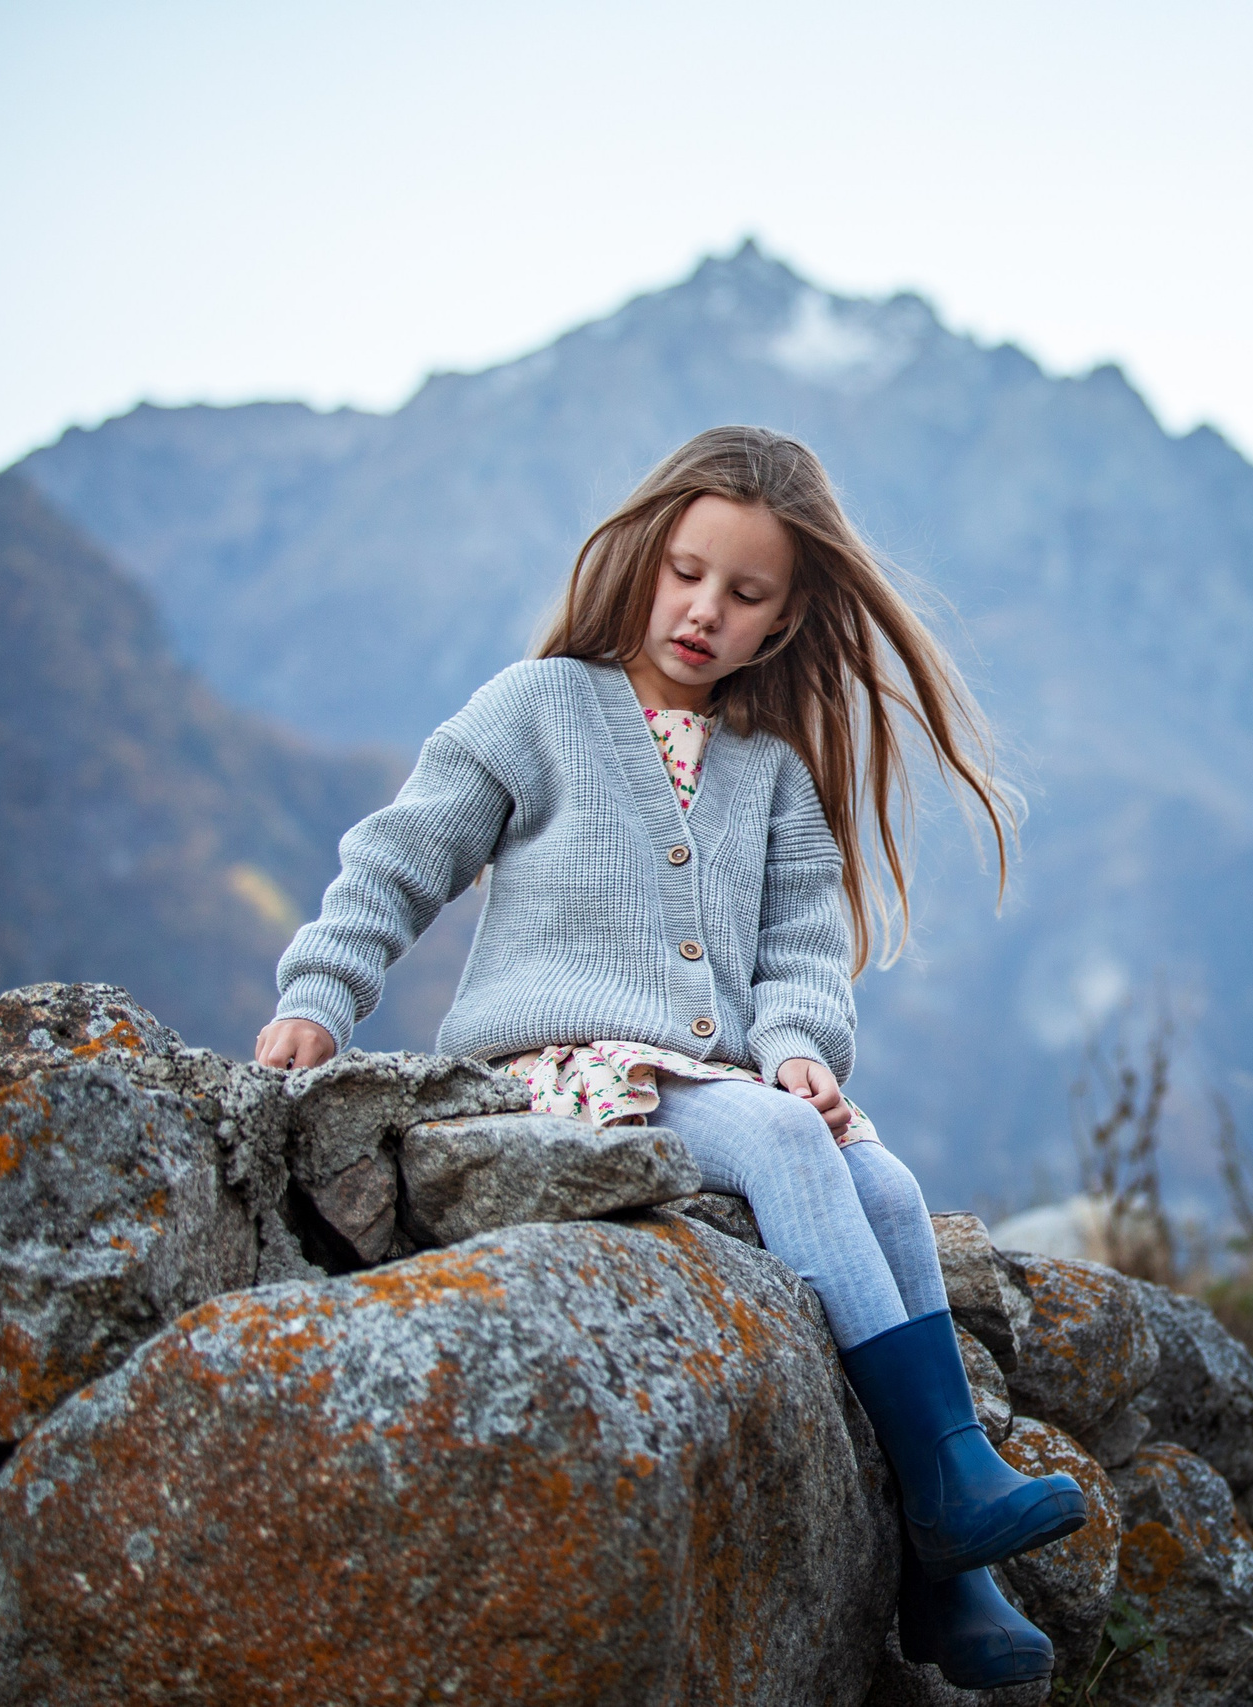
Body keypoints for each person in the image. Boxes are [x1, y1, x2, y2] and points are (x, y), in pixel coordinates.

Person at [253, 425, 1079, 1689]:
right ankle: (948, 1490)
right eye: (688, 572)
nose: (704, 610)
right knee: (787, 1142)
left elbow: (805, 945)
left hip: (710, 1079)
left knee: (891, 1187)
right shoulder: (537, 709)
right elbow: (401, 855)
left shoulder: (770, 770)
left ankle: (953, 1571)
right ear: (644, 555)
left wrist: (800, 1045)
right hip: (559, 1071)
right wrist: (322, 994)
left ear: (784, 625)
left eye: (745, 596)